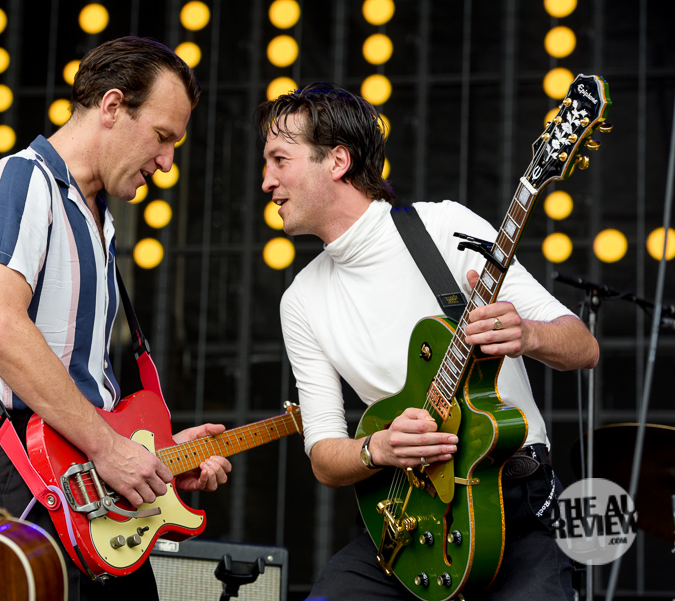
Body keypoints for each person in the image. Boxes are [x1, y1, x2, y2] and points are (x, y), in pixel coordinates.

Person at [256, 83, 599, 600]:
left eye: (280, 160)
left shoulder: (442, 227)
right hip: (412, 520)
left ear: (338, 161)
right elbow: (324, 453)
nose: (266, 180)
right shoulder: (301, 300)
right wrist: (377, 447)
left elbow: (583, 347)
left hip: (512, 503)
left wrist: (526, 334)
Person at [0, 37, 232, 600]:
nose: (167, 162)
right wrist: (110, 449)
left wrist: (153, 458)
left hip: (85, 487)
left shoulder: (99, 218)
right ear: (112, 106)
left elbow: (81, 386)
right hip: (25, 480)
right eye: (162, 136)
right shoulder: (24, 179)